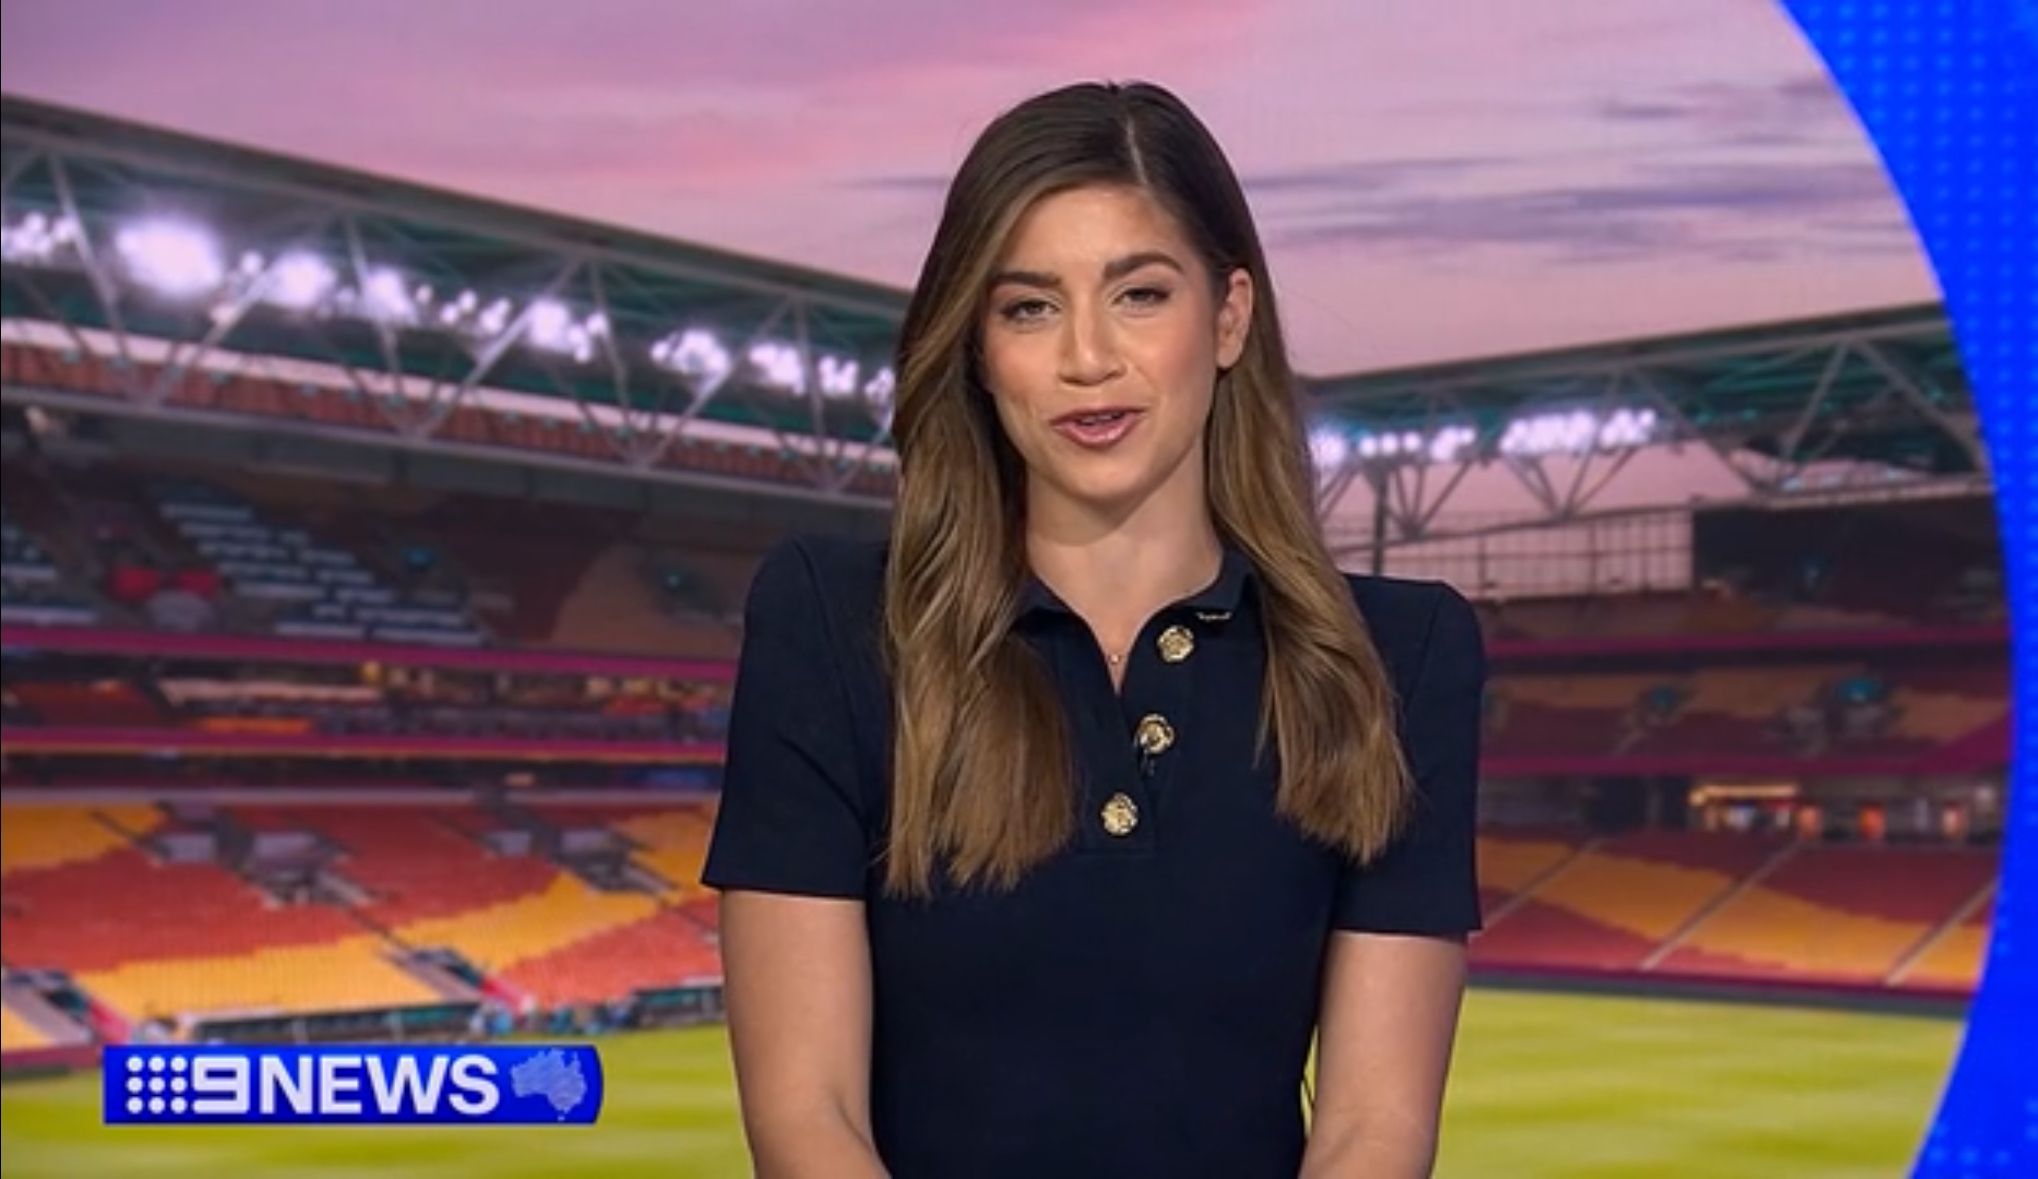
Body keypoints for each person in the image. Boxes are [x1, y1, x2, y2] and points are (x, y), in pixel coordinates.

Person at [701, 80, 1485, 1179]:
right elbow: (807, 1116)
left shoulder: (1401, 656)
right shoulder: (830, 623)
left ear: (1229, 318)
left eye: (1139, 295)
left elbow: (1375, 1129)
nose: (1086, 357)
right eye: (1028, 307)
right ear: (977, 348)